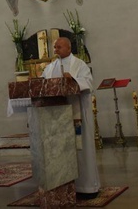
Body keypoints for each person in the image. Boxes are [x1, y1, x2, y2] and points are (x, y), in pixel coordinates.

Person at [42, 37, 100, 198]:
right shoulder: (49, 67)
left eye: (59, 47)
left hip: (76, 114)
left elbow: (88, 82)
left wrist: (73, 80)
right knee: (59, 152)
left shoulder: (79, 64)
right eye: (55, 47)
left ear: (68, 48)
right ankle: (62, 187)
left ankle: (86, 187)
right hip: (56, 117)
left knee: (80, 149)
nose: (56, 50)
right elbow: (43, 84)